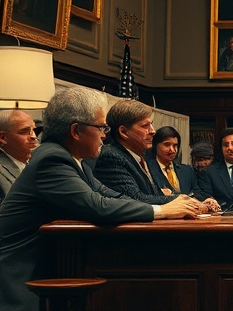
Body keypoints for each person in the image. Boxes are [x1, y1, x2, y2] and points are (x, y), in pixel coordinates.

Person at [0, 88, 200, 311]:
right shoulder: (52, 159)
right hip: (16, 275)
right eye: (101, 127)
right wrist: (163, 211)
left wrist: (167, 205)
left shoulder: (74, 160)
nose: (105, 134)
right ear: (76, 131)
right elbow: (98, 206)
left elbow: (110, 194)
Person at [93, 100, 178, 205]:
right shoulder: (110, 156)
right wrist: (181, 200)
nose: (153, 131)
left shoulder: (140, 155)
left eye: (151, 124)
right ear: (124, 132)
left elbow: (156, 196)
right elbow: (135, 200)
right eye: (145, 126)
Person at [146, 126, 212, 202]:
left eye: (175, 146)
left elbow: (197, 193)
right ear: (155, 145)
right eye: (167, 145)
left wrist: (207, 199)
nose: (172, 150)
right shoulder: (147, 169)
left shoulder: (187, 171)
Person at [196, 128, 233, 212]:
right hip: (220, 219)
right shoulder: (209, 172)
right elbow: (206, 198)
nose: (230, 148)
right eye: (226, 145)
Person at [0, 110, 39, 201]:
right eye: (24, 131)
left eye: (33, 130)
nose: (33, 136)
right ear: (2, 138)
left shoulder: (40, 161)